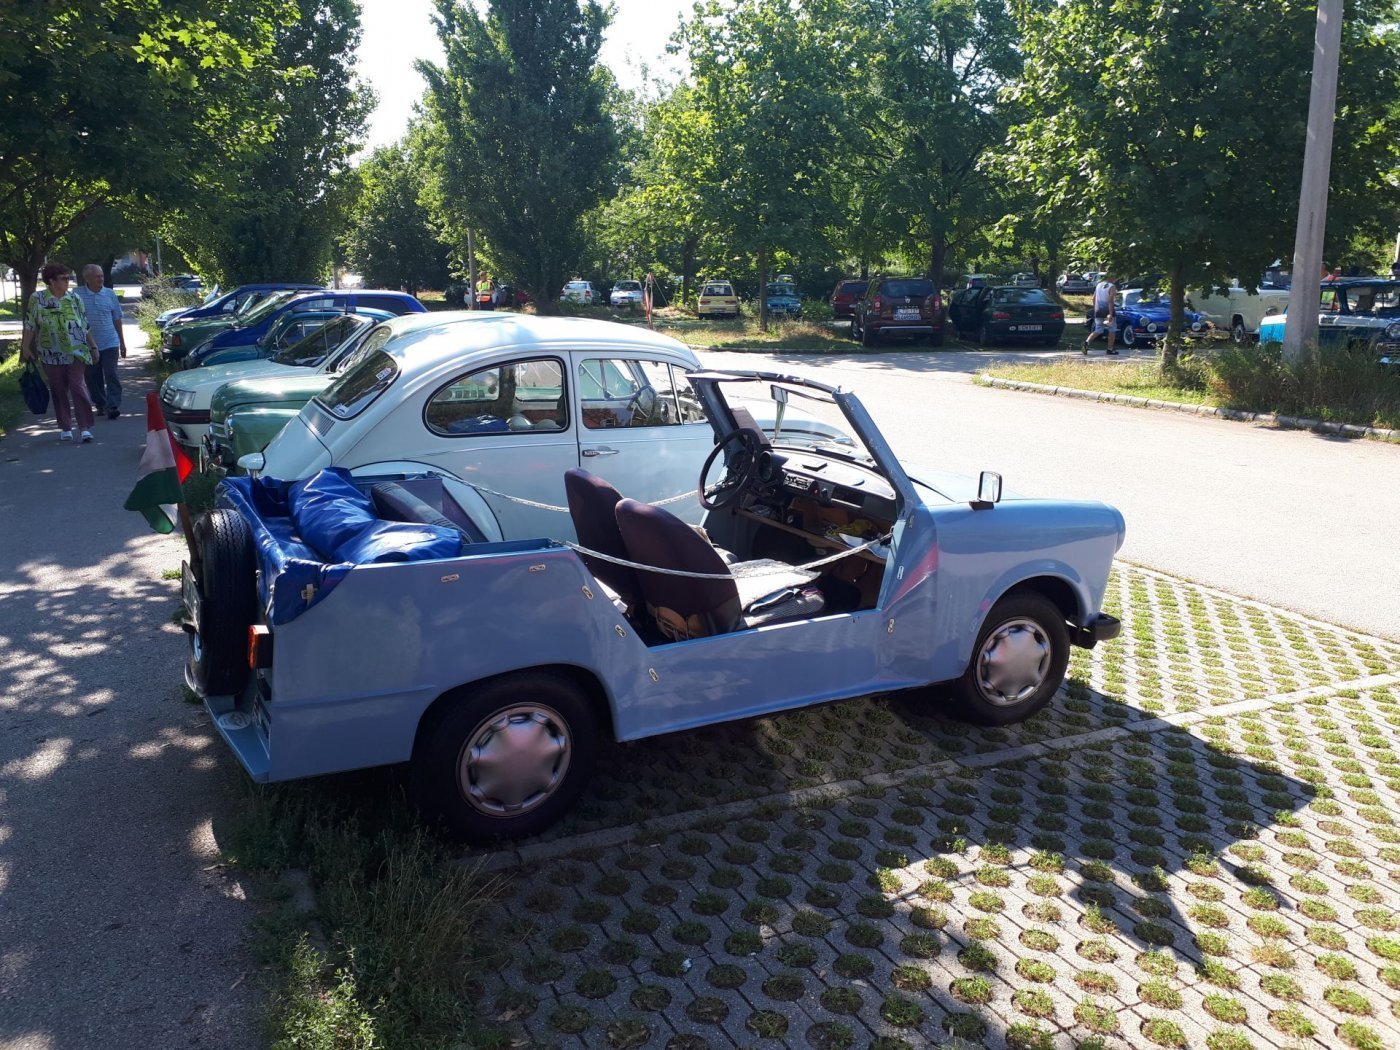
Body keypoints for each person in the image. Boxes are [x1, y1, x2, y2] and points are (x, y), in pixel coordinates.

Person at [20, 263, 99, 442]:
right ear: (51, 281)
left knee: (77, 386)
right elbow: (30, 323)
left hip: (76, 351)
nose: (67, 281)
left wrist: (93, 347)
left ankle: (84, 427)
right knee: (58, 389)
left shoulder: (74, 298)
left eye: (68, 278)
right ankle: (65, 427)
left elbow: (84, 324)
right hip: (50, 353)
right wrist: (25, 346)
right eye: (64, 278)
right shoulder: (38, 298)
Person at [75, 263, 126, 418]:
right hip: (88, 345)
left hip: (110, 341)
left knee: (111, 373)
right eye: (97, 276)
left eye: (102, 275)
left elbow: (117, 319)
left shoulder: (109, 294)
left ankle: (113, 405)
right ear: (87, 278)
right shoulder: (77, 294)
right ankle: (101, 404)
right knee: (92, 376)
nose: (101, 278)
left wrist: (122, 342)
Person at [1083, 273, 1119, 355]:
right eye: (1115, 277)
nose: (1116, 279)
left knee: (1098, 329)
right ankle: (1110, 349)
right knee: (1112, 330)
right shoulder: (1112, 286)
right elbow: (1110, 301)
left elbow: (1093, 298)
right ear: (1111, 277)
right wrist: (1110, 314)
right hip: (1108, 311)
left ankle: (1086, 342)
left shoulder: (1099, 285)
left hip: (1098, 310)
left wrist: (1096, 309)